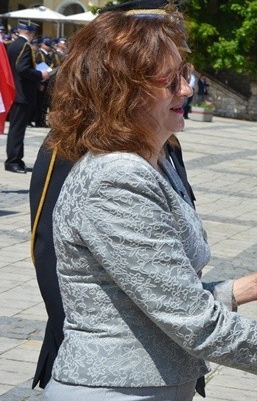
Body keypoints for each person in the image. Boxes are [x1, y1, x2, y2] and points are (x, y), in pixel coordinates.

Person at [40, 0, 257, 399]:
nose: (187, 89)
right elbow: (194, 322)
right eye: (171, 79)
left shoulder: (151, 163)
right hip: (115, 389)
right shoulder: (117, 179)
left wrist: (248, 286)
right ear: (123, 91)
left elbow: (160, 293)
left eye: (186, 73)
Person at [29, 135, 198, 393]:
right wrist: (81, 351)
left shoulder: (167, 145)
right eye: (169, 90)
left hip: (169, 363)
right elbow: (50, 253)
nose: (186, 92)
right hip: (105, 371)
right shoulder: (74, 144)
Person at [5, 20, 51, 173]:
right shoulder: (24, 46)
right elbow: (22, 69)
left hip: (17, 91)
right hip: (21, 94)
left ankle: (16, 158)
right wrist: (40, 74)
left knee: (16, 129)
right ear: (31, 33)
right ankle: (13, 161)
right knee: (17, 130)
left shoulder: (14, 44)